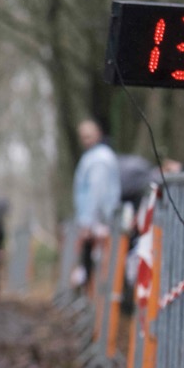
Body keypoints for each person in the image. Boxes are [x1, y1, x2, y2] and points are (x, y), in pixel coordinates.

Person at [72, 118, 121, 293]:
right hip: (98, 220)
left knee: (97, 265)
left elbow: (96, 191)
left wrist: (88, 222)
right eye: (83, 137)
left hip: (99, 222)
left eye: (89, 136)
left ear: (98, 134)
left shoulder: (99, 160)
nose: (86, 140)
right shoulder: (93, 157)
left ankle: (96, 302)